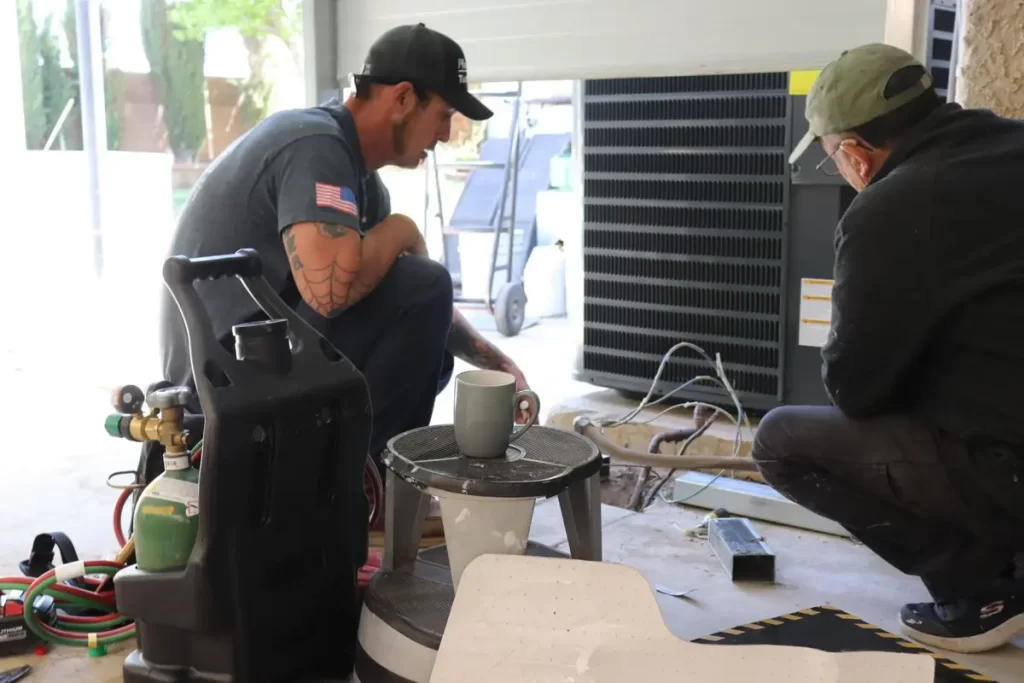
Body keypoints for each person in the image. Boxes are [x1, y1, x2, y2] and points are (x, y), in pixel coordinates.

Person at [159, 23, 532, 464]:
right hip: (218, 390)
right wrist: (404, 230)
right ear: (403, 98)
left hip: (254, 363)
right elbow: (330, 291)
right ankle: (369, 490)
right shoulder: (315, 144)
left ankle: (342, 477)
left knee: (434, 344)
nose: (447, 135)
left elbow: (415, 306)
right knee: (423, 285)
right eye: (445, 115)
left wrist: (502, 367)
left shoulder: (360, 180)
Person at [756, 42, 1024, 654]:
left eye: (832, 162)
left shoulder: (894, 204)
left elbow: (858, 387)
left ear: (854, 153)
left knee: (782, 442)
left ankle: (980, 591)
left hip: (1010, 464)